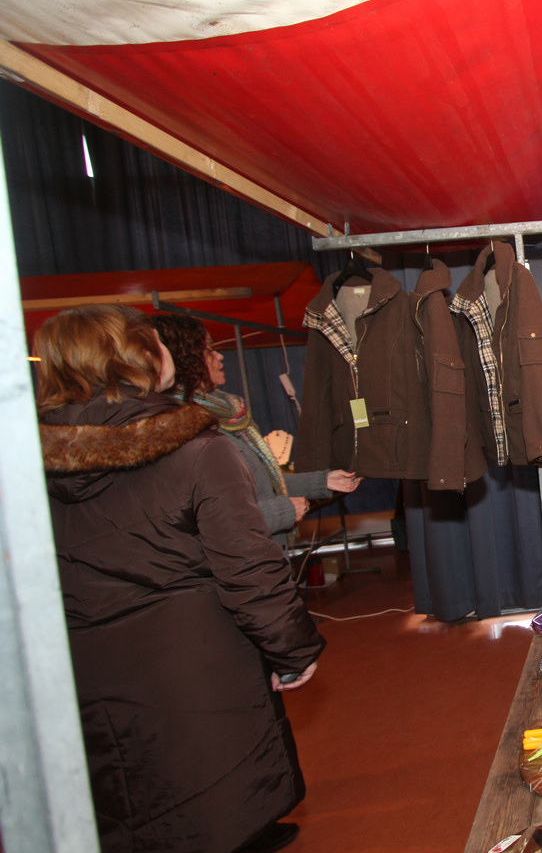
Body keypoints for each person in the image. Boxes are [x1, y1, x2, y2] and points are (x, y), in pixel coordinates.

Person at [36, 305, 325, 853]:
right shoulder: (196, 449)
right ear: (138, 355)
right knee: (214, 804)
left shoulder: (27, 463)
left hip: (82, 669)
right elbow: (246, 564)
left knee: (129, 799)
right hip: (194, 661)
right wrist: (292, 650)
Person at [152, 314, 361, 547]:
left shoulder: (222, 415)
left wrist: (323, 482)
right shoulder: (187, 430)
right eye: (209, 350)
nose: (219, 356)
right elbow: (211, 521)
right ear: (185, 360)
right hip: (242, 559)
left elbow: (256, 483)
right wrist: (281, 512)